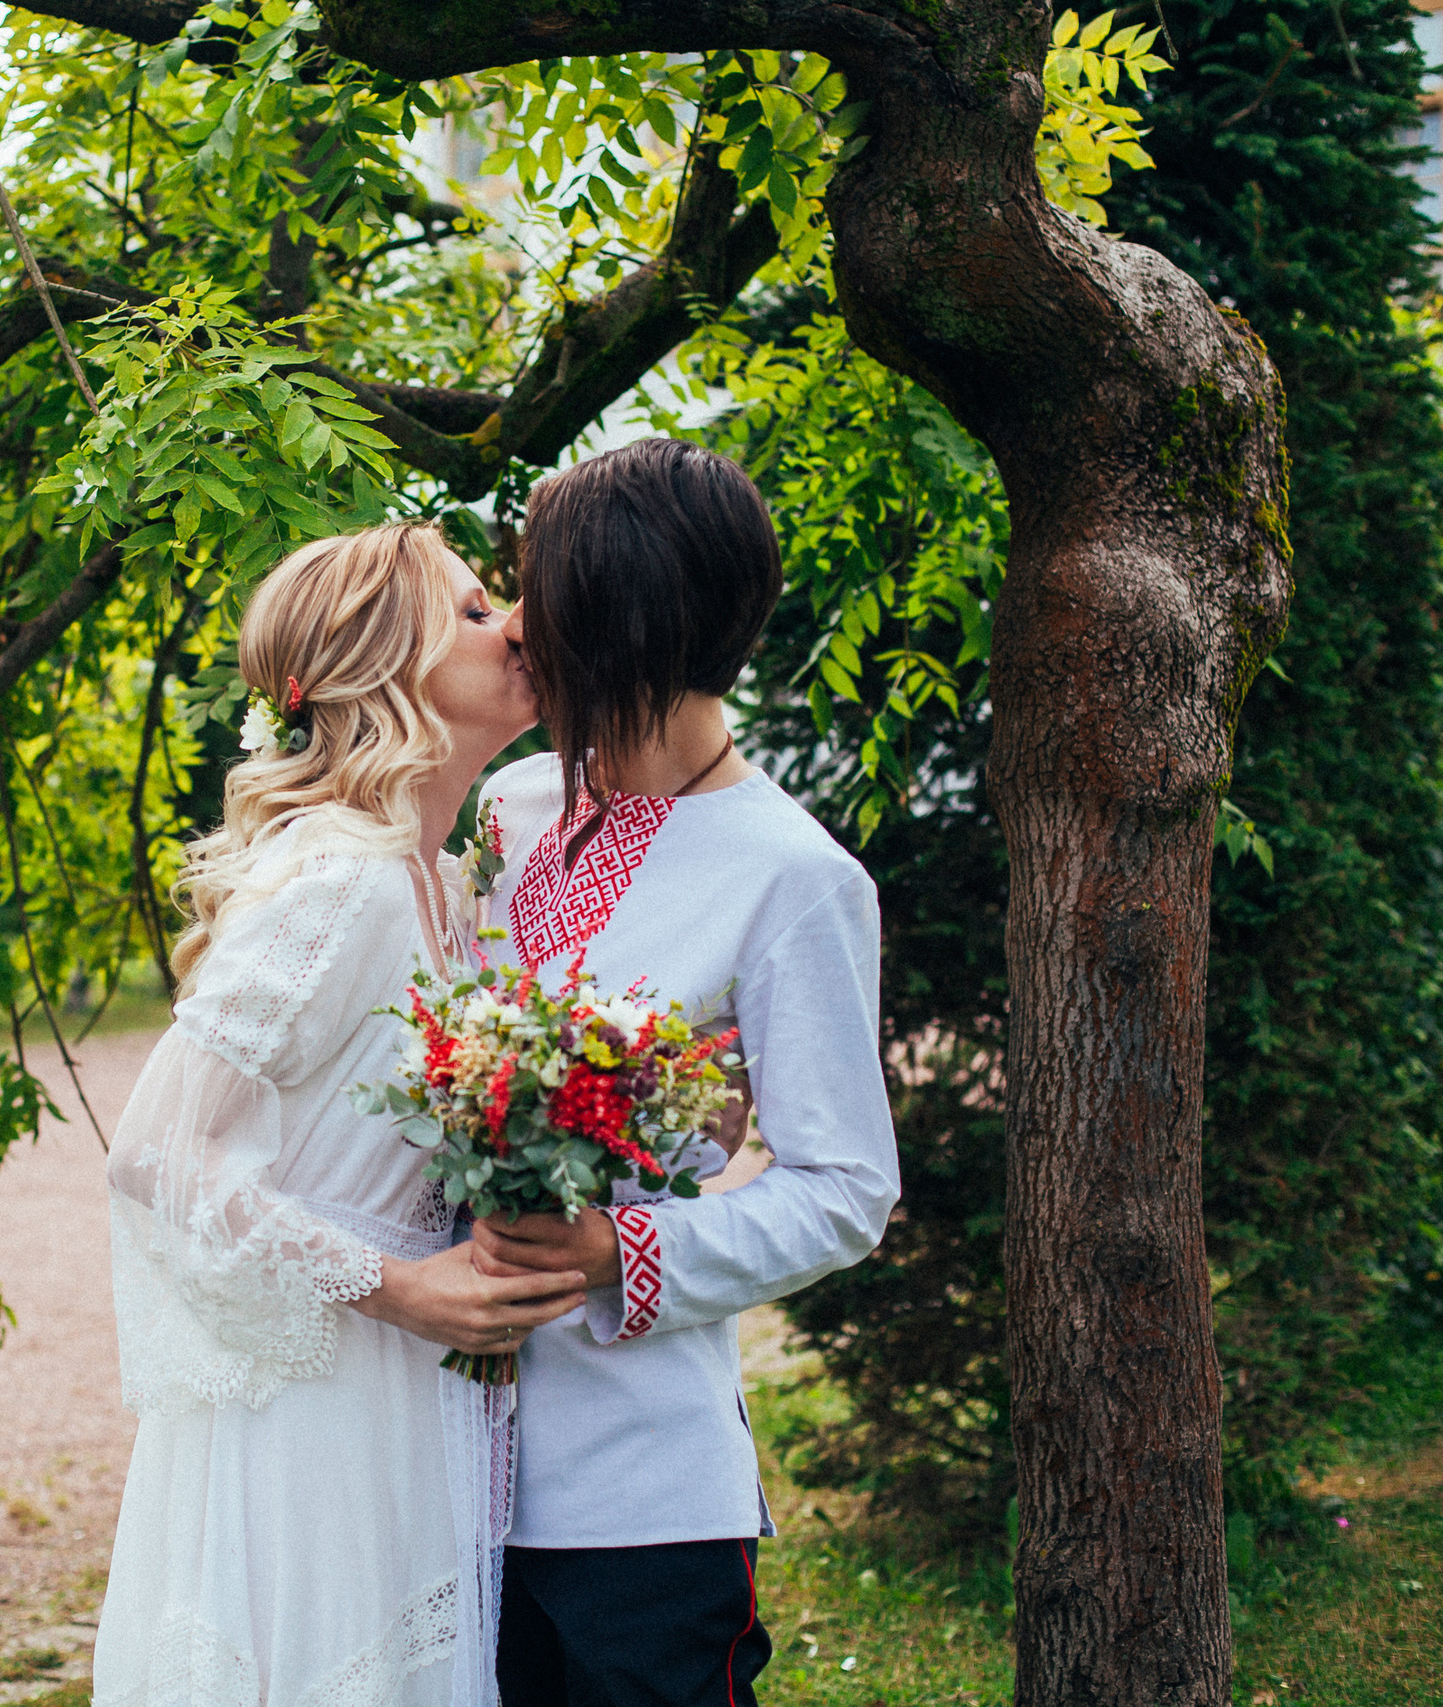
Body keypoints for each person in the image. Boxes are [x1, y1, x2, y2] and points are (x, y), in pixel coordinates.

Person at [95, 521, 573, 1707]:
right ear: (385, 671)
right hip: (317, 1402)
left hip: (408, 1395)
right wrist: (402, 1289)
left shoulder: (441, 882)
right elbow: (157, 1154)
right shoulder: (341, 877)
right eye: (470, 611)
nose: (513, 620)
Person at [470, 438, 902, 1705]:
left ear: (618, 621)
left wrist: (622, 1251)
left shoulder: (793, 875)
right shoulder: (509, 811)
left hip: (639, 1491)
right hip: (443, 1462)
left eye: (538, 593)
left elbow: (842, 1187)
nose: (514, 626)